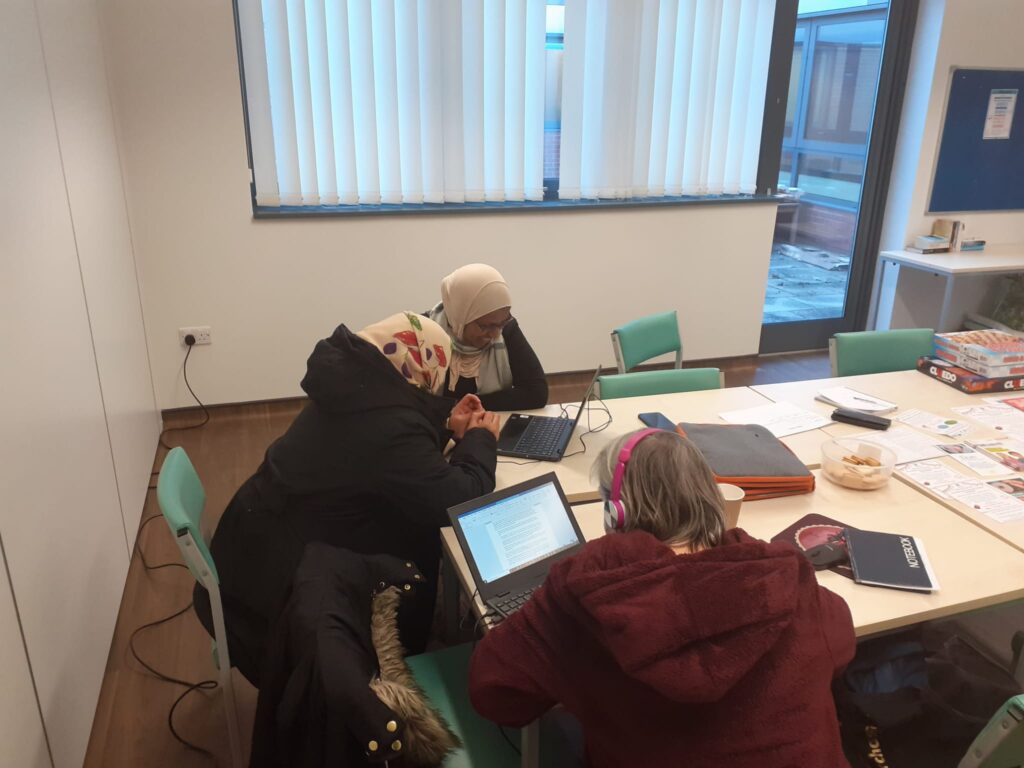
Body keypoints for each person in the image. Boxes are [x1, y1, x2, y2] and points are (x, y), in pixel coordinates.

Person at [468, 428, 856, 768]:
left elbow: (494, 694)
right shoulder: (780, 576)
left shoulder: (587, 592)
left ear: (615, 513)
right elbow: (840, 645)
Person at [194, 312, 500, 684]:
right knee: (423, 532)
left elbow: (391, 453)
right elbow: (461, 500)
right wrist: (480, 440)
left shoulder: (355, 391)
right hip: (283, 597)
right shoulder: (386, 426)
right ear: (424, 365)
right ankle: (419, 659)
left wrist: (444, 423)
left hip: (254, 557)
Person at [426, 263, 548, 411]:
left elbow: (536, 393)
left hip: (489, 428)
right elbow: (410, 402)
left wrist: (470, 406)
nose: (495, 334)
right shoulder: (422, 335)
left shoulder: (506, 329)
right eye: (485, 326)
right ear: (461, 316)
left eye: (501, 323)